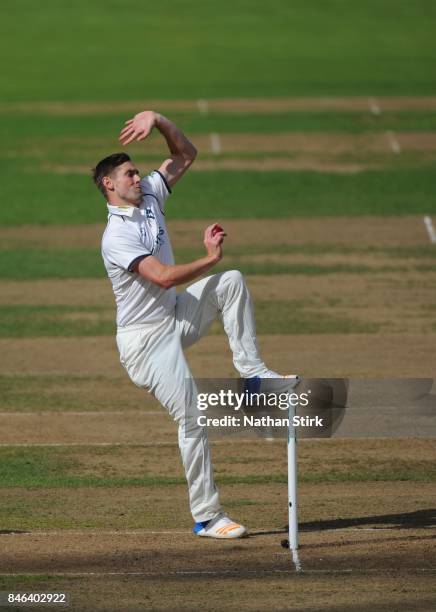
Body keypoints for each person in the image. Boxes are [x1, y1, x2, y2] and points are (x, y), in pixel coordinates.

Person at [92, 111, 299, 539]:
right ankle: (207, 517)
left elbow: (185, 153)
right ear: (109, 185)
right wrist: (209, 257)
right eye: (129, 174)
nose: (138, 177)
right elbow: (163, 276)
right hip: (145, 343)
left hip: (175, 316)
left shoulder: (149, 195)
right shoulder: (116, 237)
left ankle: (253, 374)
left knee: (231, 283)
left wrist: (159, 119)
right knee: (193, 418)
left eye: (137, 172)